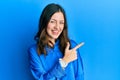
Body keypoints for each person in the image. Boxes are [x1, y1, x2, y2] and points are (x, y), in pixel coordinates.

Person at [28, 3, 84, 80]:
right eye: (52, 21)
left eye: (61, 22)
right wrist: (64, 62)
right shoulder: (34, 51)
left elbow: (80, 76)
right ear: (45, 22)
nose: (57, 27)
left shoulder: (72, 46)